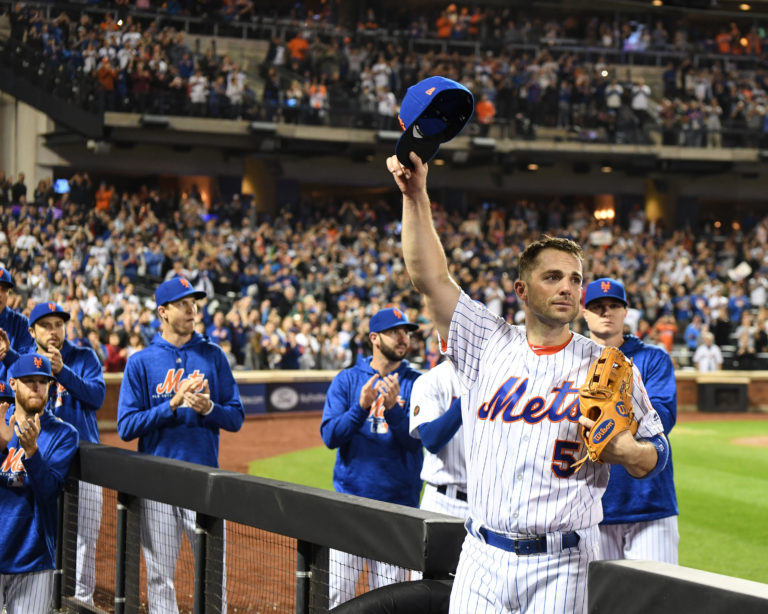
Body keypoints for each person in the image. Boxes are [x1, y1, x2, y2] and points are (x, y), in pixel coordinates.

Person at [387, 150, 668, 614]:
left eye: (575, 280)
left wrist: (632, 453)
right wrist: (416, 195)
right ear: (521, 289)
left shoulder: (607, 364)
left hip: (565, 561)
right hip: (480, 553)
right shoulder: (486, 341)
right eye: (553, 276)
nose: (567, 288)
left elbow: (657, 452)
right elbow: (430, 277)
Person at [117, 277, 245, 614]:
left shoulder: (213, 356)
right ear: (163, 311)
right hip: (156, 480)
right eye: (184, 304)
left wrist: (210, 408)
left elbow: (235, 418)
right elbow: (127, 427)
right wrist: (170, 405)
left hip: (204, 479)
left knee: (212, 571)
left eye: (195, 303)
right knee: (160, 575)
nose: (193, 310)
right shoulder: (141, 362)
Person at [320, 307, 423, 608]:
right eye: (395, 331)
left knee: (393, 601)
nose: (403, 337)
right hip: (351, 504)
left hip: (398, 509)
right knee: (338, 595)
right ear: (375, 338)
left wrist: (393, 409)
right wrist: (360, 408)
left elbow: (415, 443)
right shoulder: (347, 380)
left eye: (406, 331)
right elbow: (329, 436)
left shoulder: (417, 383)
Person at [582, 278, 679, 563]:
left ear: (626, 312)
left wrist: (611, 422)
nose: (606, 311)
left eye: (614, 305)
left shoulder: (652, 358)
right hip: (591, 507)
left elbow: (664, 415)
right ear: (584, 313)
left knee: (656, 603)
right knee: (601, 604)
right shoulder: (571, 361)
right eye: (597, 306)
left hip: (649, 501)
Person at [27, 302, 106, 604]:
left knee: (85, 537)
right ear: (32, 331)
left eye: (58, 324)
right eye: (46, 325)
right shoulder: (25, 362)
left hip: (83, 463)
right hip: (41, 461)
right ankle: (40, 600)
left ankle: (81, 601)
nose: (53, 330)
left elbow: (97, 396)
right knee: (37, 531)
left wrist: (63, 371)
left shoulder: (83, 357)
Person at [0, 354, 79, 614]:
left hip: (33, 558)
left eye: (42, 382)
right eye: (29, 381)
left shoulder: (63, 434)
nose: (36, 387)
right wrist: (1, 447)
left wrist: (32, 452)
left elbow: (49, 492)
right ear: (13, 384)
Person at [408, 359, 467, 519]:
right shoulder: (431, 380)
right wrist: (468, 397)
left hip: (488, 504)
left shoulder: (503, 378)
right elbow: (431, 440)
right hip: (443, 502)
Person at [0, 268, 36, 380]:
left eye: (3, 289)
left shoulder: (21, 323)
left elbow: (29, 365)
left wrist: (8, 353)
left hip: (10, 394)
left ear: (9, 293)